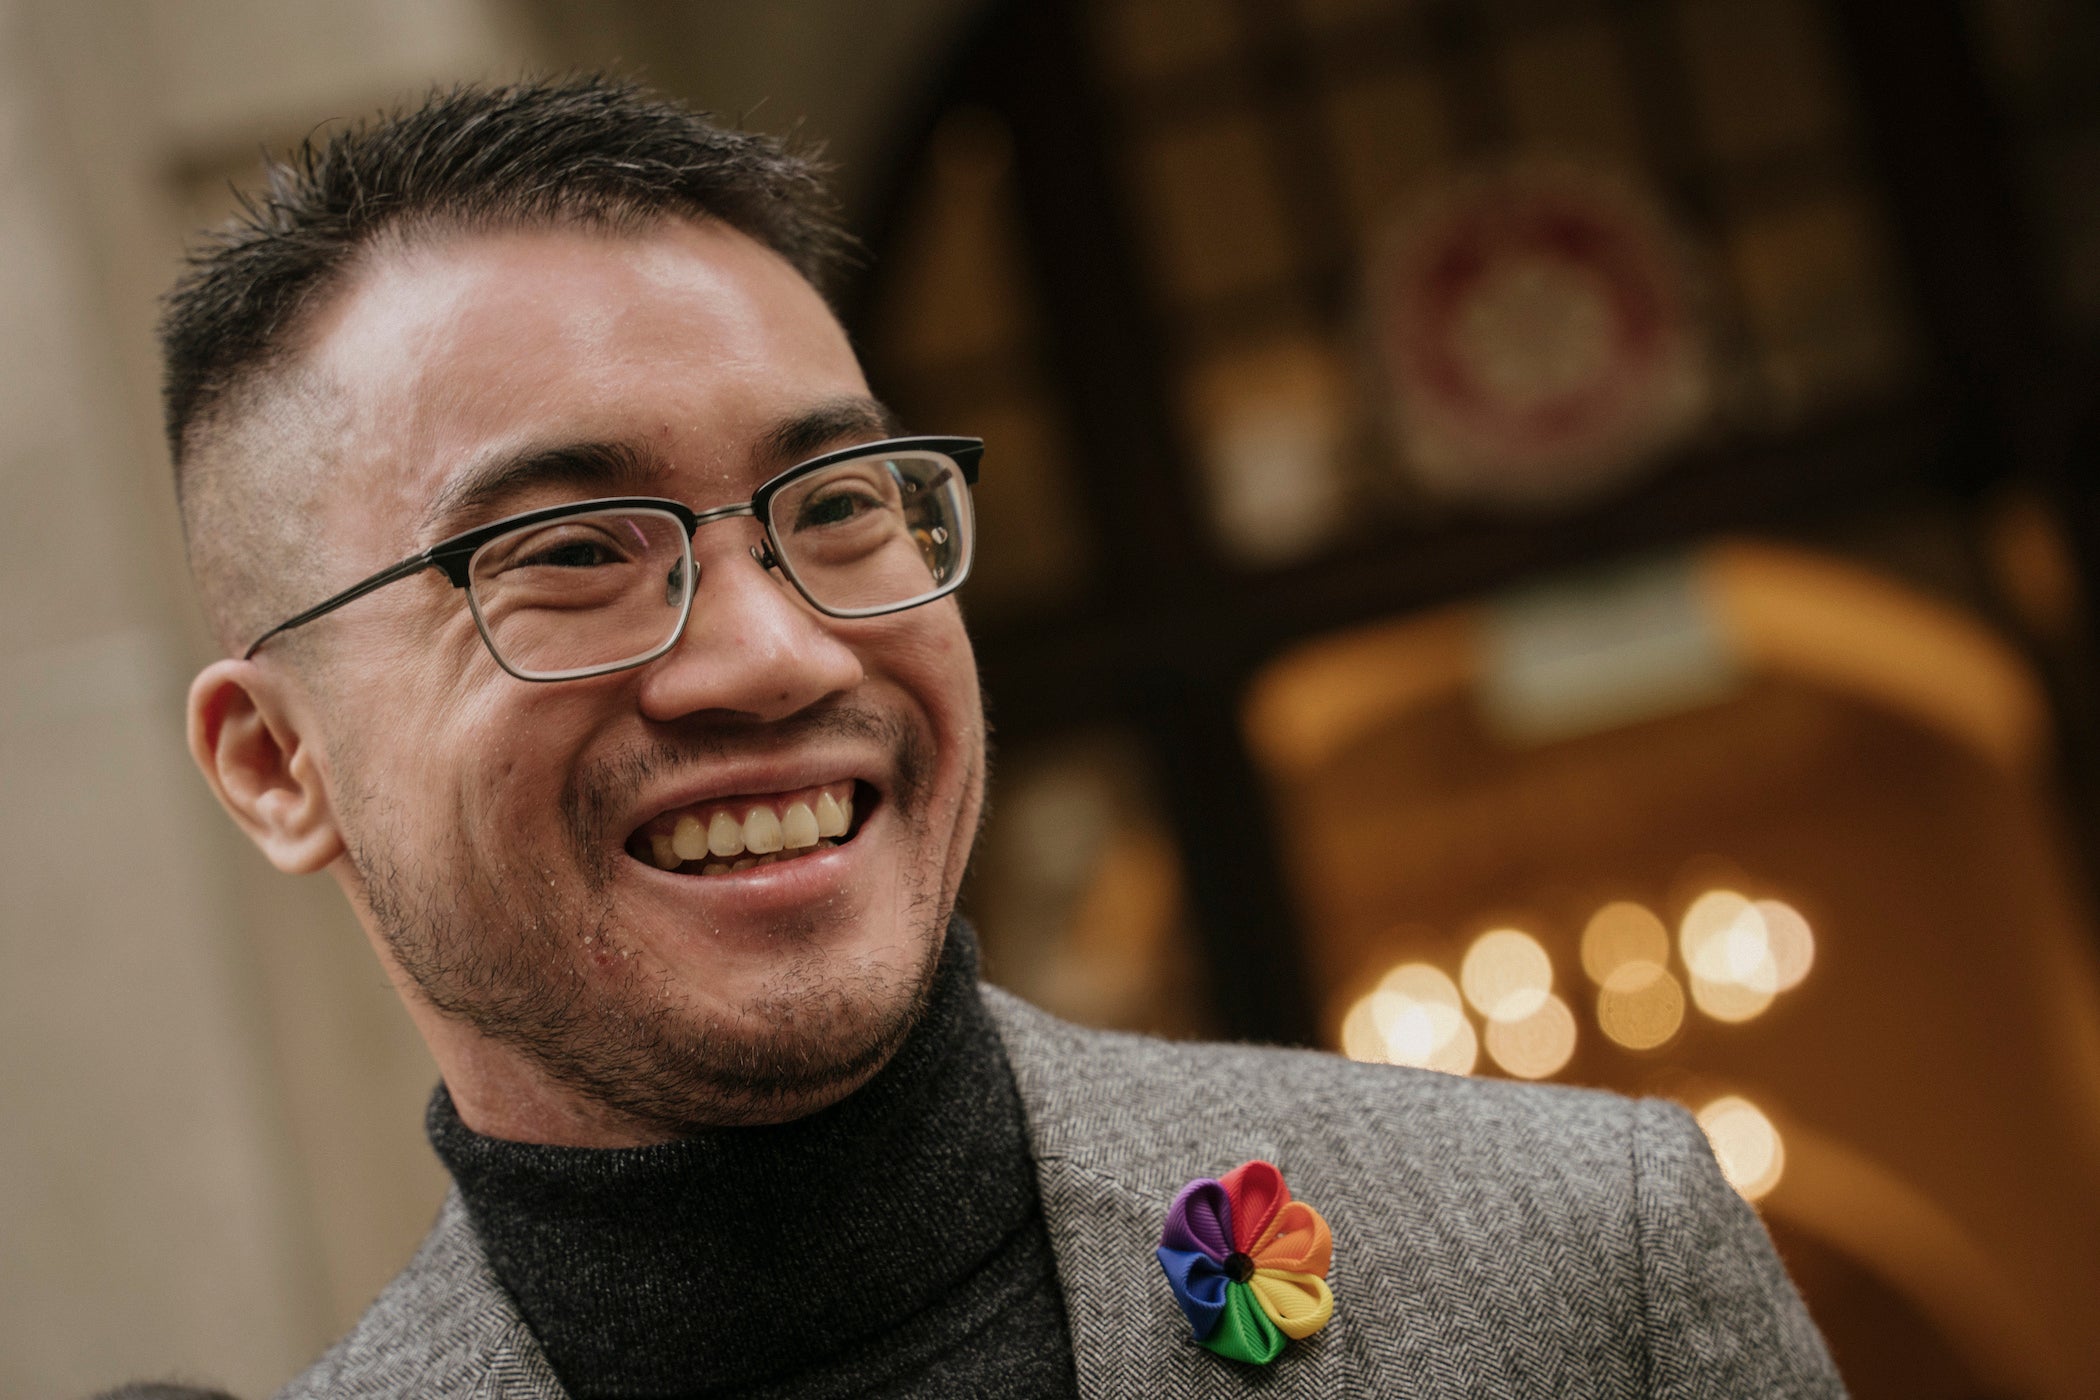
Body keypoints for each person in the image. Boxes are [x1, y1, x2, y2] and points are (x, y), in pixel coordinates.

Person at [165, 76, 1843, 1398]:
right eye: (570, 554)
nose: (774, 650)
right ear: (274, 763)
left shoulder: (1578, 1270)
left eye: (835, 507)